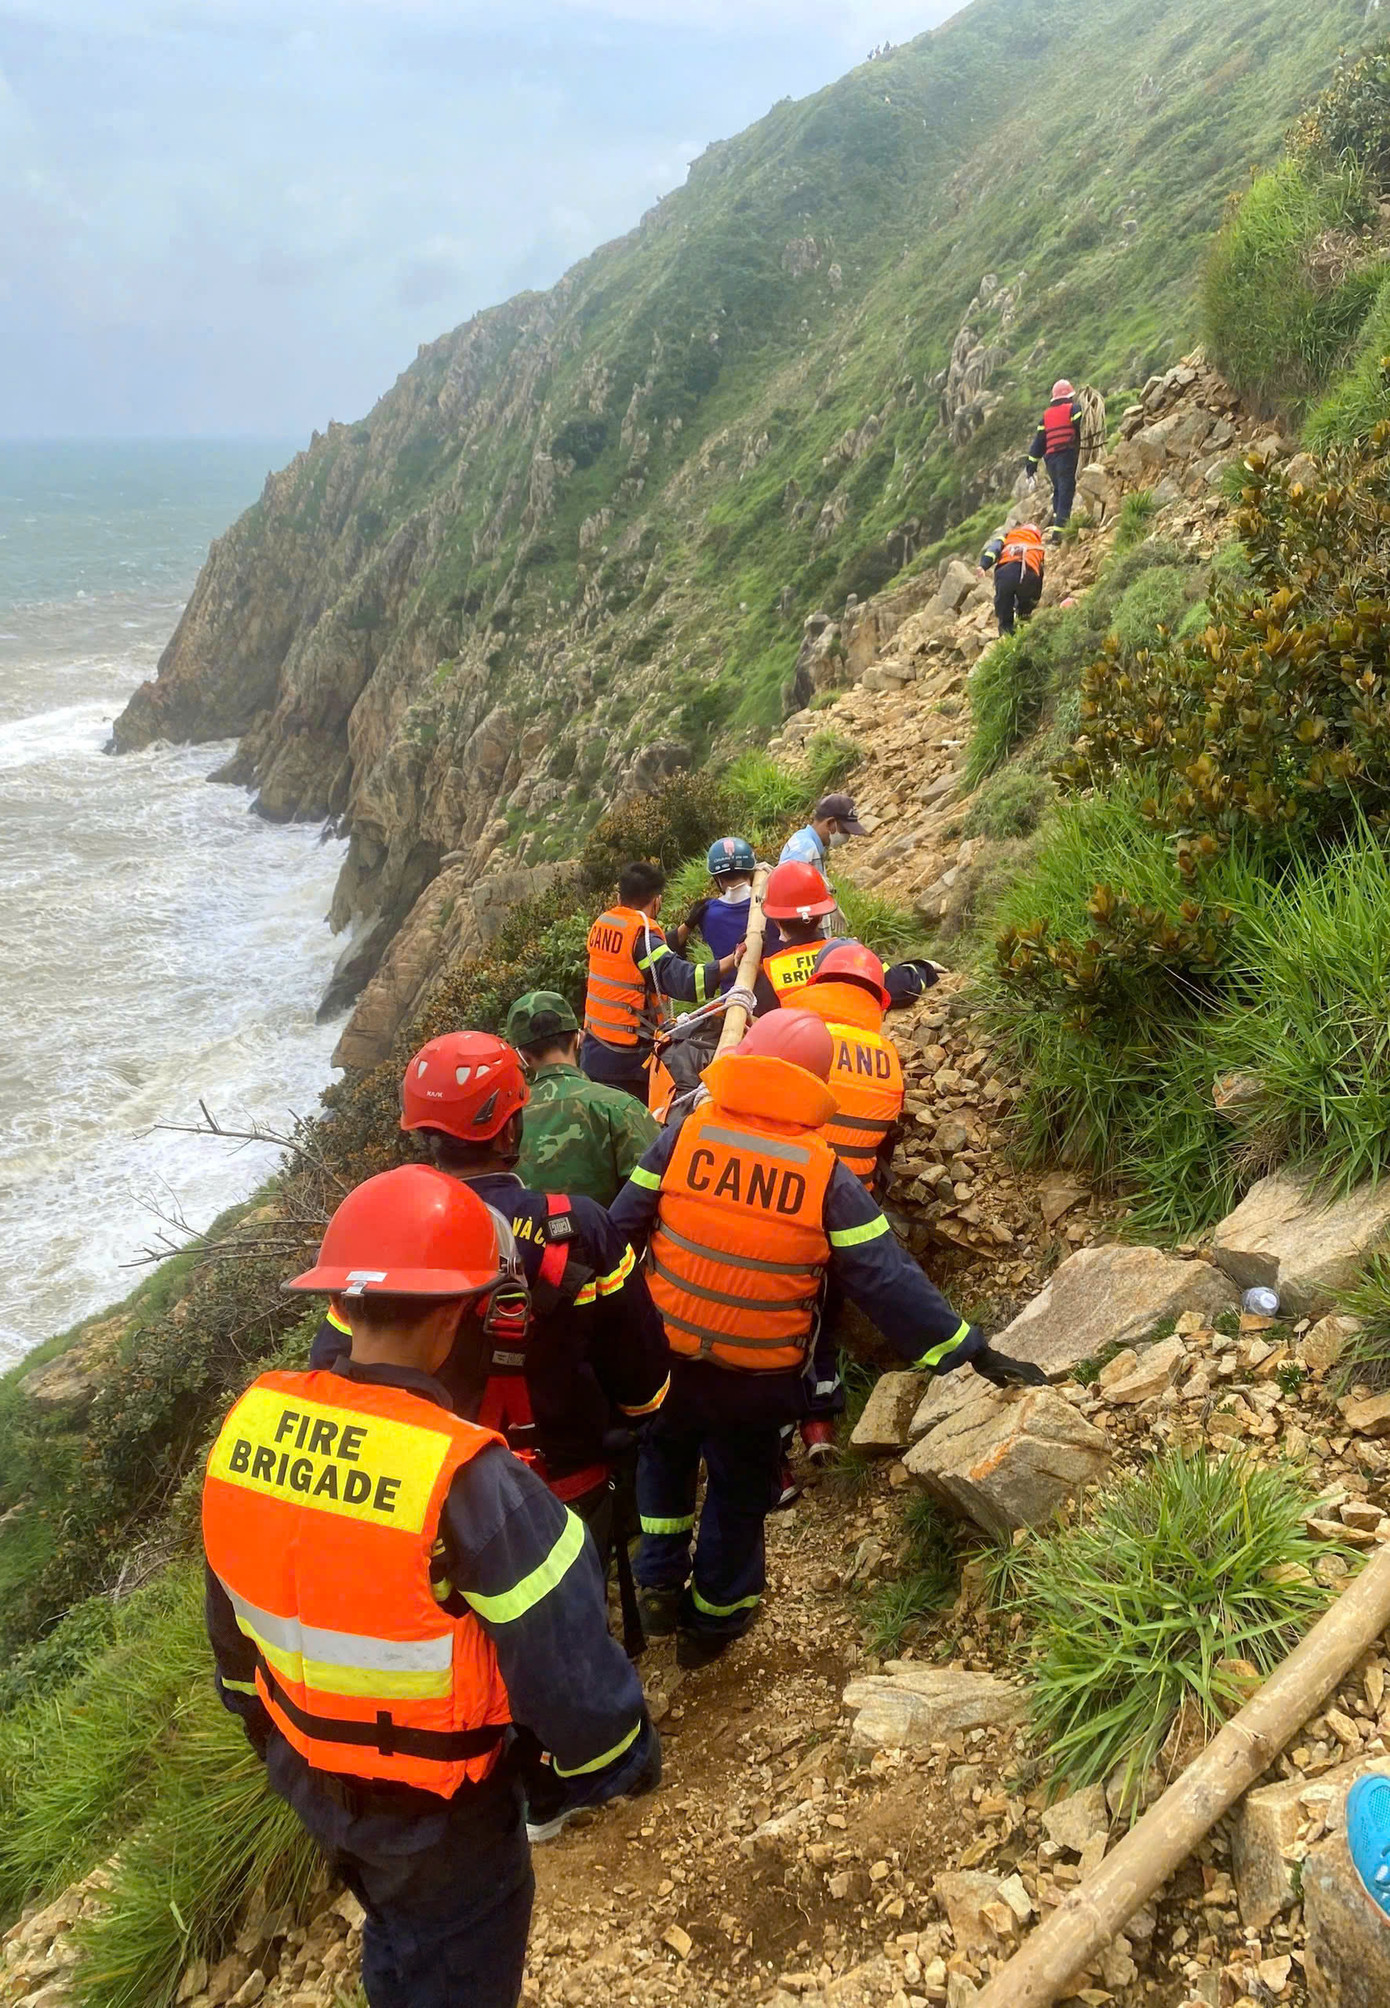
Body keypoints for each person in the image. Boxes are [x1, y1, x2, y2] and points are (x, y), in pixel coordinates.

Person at [203, 1165, 660, 2008]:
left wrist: (265, 1732)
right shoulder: (466, 1477)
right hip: (438, 1808)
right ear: (457, 1311)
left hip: (305, 1770)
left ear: (343, 1300)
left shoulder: (252, 1422)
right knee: (455, 1958)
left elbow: (230, 1622)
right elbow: (564, 1660)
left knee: (403, 1935)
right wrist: (617, 1759)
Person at [610, 1011, 1048, 1669]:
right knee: (735, 1492)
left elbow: (621, 1226)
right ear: (816, 1085)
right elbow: (887, 1279)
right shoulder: (825, 1174)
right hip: (754, 1387)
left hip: (666, 1361)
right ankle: (712, 1626)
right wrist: (971, 1350)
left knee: (664, 1459)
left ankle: (659, 1583)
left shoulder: (683, 1135)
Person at [312, 1033, 669, 1580]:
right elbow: (644, 1387)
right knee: (565, 1631)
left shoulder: (383, 1241)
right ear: (510, 1127)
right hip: (567, 1490)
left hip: (429, 1503)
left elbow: (334, 1371)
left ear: (425, 1132)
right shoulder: (582, 1228)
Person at [581, 861, 742, 1104]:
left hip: (594, 1051)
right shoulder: (640, 937)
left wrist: (686, 927)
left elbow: (644, 959)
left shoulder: (606, 924)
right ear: (657, 901)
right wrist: (733, 960)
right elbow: (684, 980)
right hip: (628, 1062)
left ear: (619, 896)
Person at [504, 990, 659, 1208]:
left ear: (523, 1057)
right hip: (608, 1240)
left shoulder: (506, 1122)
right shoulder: (621, 1108)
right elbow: (657, 1190)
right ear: (579, 1039)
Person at [671, 836, 782, 990]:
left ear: (717, 878)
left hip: (732, 999)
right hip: (777, 993)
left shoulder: (707, 913)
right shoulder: (773, 901)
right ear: (750, 870)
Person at [758, 861, 842, 1002]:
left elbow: (763, 1020)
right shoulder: (848, 950)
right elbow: (890, 981)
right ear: (821, 916)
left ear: (777, 922)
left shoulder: (770, 972)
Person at [1026, 378, 1084, 535]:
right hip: (1066, 455)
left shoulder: (1045, 417)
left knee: (1058, 491)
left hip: (1050, 460)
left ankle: (1058, 522)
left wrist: (1031, 468)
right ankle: (1059, 533)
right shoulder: (1073, 409)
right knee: (1066, 491)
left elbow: (1038, 443)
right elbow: (1082, 426)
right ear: (1069, 396)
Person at [980, 523, 1046, 637]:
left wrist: (983, 565)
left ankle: (1006, 635)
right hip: (1029, 574)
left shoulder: (1009, 535)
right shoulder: (1037, 546)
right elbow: (1039, 574)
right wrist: (1034, 600)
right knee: (1025, 609)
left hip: (1006, 572)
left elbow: (993, 549)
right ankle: (1023, 630)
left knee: (1004, 603)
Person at [778, 792, 867, 870]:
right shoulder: (804, 849)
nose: (847, 837)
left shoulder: (813, 845)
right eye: (845, 830)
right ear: (830, 823)